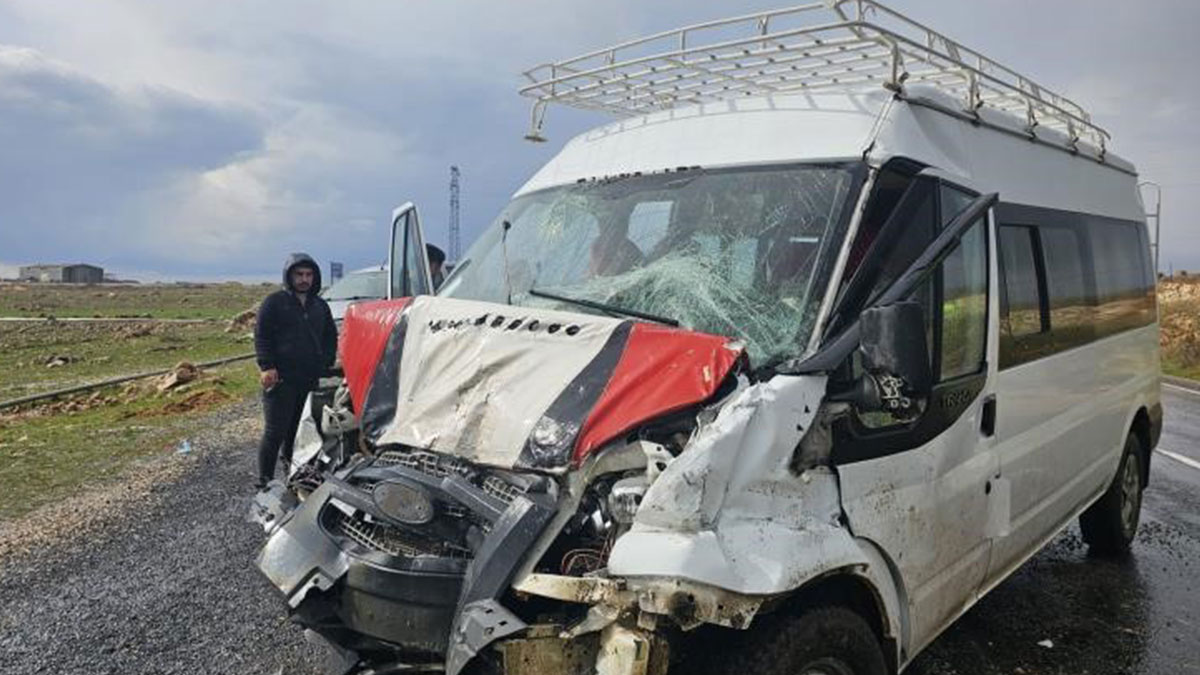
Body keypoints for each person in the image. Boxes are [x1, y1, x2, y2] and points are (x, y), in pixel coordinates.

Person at [253, 253, 337, 488]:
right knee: (275, 432)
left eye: (308, 274)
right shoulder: (274, 302)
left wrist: (326, 361)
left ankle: (293, 475)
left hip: (308, 379)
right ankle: (265, 482)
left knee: (299, 431)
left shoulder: (319, 305)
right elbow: (261, 335)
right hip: (281, 379)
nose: (304, 279)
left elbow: (330, 336)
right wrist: (266, 366)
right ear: (289, 276)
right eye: (299, 274)